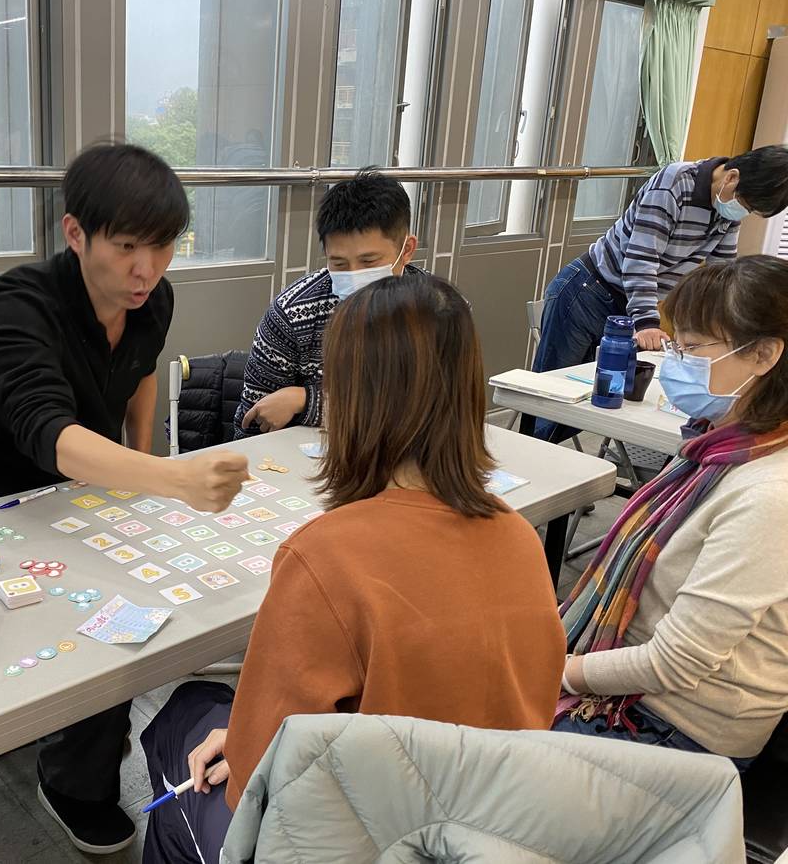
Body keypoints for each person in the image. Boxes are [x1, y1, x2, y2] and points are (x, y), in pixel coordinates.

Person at [140, 274, 566, 864]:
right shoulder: (518, 536)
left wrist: (245, 742)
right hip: (493, 830)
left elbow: (256, 783)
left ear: (351, 398)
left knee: (181, 719)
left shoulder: (324, 557)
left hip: (361, 843)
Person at [0, 143, 249, 854]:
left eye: (164, 246)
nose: (148, 269)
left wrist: (145, 460)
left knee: (112, 622)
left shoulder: (154, 298)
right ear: (75, 233)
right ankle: (39, 737)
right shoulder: (21, 301)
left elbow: (141, 371)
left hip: (96, 485)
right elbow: (49, 434)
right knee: (33, 632)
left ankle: (75, 780)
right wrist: (172, 481)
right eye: (127, 247)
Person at [555, 255, 788, 769]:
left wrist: (558, 670)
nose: (674, 363)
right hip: (638, 686)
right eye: (675, 345)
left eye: (691, 348)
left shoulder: (768, 493)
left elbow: (676, 662)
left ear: (764, 354)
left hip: (676, 726)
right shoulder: (715, 448)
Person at [529, 145, 788, 443]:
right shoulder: (675, 182)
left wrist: (705, 329)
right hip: (590, 289)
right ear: (731, 178)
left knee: (600, 398)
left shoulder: (726, 210)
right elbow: (641, 259)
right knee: (552, 396)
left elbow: (721, 274)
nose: (742, 212)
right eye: (745, 204)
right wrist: (647, 322)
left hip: (629, 304)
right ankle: (531, 456)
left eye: (750, 210)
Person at [233, 168, 421, 437]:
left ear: (407, 250)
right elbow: (252, 425)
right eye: (339, 263)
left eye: (369, 262)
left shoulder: (439, 310)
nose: (354, 275)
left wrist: (306, 400)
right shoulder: (290, 314)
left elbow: (433, 408)